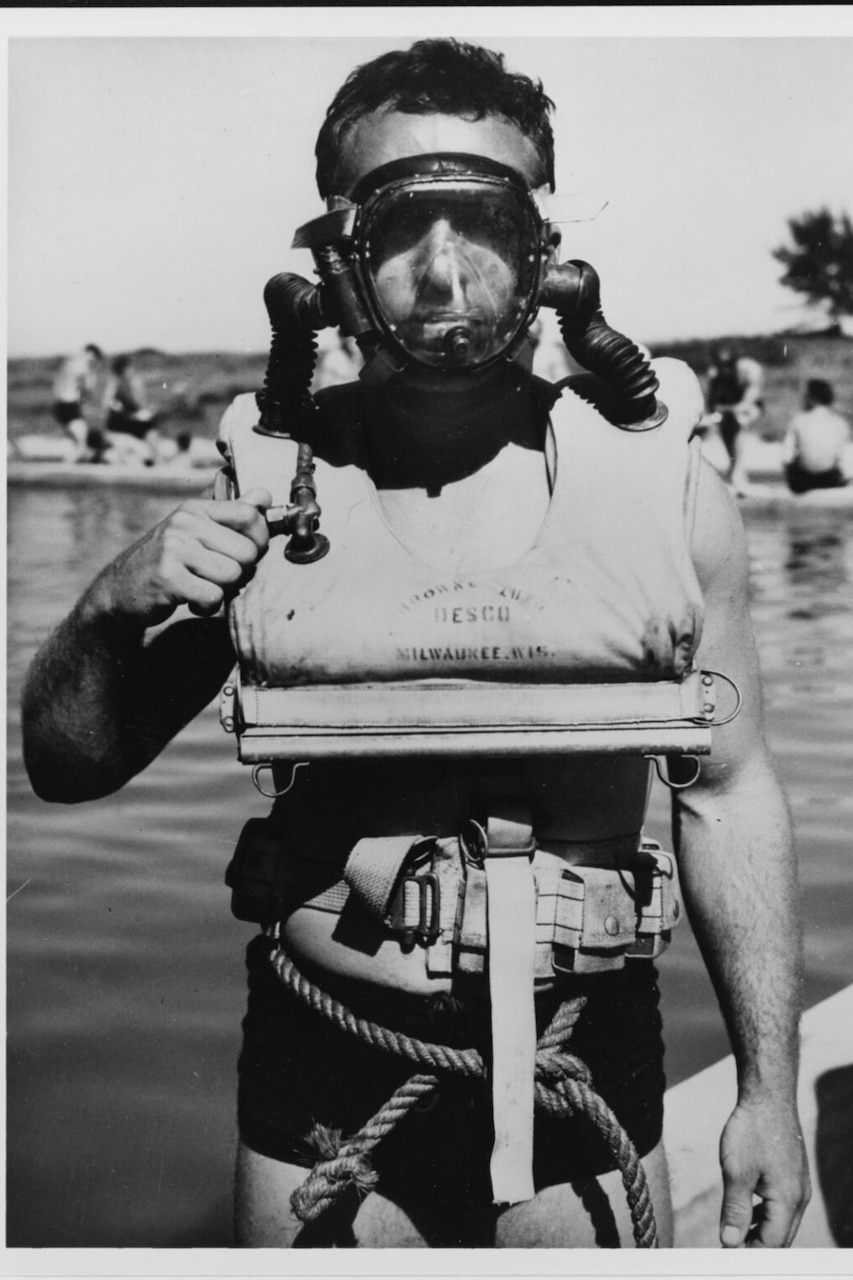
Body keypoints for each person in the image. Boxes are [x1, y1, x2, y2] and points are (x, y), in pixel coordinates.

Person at [20, 39, 810, 1250]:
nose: (444, 276)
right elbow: (70, 765)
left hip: (582, 1044)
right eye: (402, 230)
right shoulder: (271, 488)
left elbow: (733, 794)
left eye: (479, 222)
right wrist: (109, 604)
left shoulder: (664, 490)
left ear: (541, 246)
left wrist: (768, 1089)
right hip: (324, 1054)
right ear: (338, 254)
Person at [704, 346, 765, 494]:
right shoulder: (714, 373)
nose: (724, 368)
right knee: (727, 429)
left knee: (738, 425)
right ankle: (734, 470)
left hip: (747, 408)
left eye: (727, 365)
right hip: (728, 409)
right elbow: (711, 402)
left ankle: (737, 471)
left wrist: (726, 410)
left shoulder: (749, 369)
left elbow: (748, 401)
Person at [782, 378, 850, 494]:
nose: (802, 400)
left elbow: (786, 456)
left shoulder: (798, 421)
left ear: (812, 398)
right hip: (831, 480)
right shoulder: (840, 423)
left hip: (803, 482)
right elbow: (843, 459)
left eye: (805, 396)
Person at [101, 353, 161, 466]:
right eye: (129, 368)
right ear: (123, 369)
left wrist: (146, 410)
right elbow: (107, 402)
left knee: (151, 424)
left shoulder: (134, 382)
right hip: (122, 422)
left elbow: (140, 403)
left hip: (131, 419)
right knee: (149, 426)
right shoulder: (115, 383)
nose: (131, 370)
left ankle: (156, 458)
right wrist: (117, 406)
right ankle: (155, 459)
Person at [51, 343, 105, 461]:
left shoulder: (70, 361)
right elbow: (88, 388)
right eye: (94, 358)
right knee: (81, 436)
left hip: (61, 403)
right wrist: (92, 375)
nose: (93, 361)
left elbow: (60, 382)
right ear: (91, 354)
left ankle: (76, 460)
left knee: (78, 436)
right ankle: (72, 464)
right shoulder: (82, 365)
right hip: (68, 404)